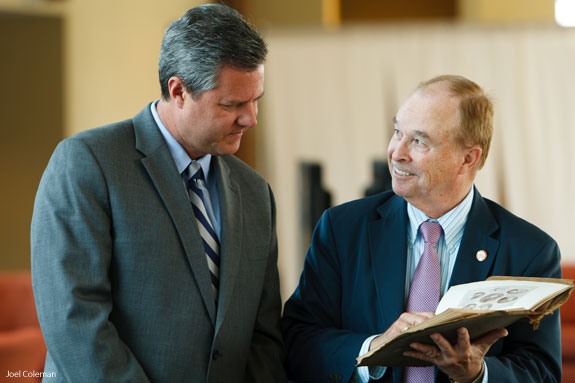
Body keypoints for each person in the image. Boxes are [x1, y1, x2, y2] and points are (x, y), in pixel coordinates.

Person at [31, 4, 286, 383]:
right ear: (179, 90)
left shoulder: (255, 193)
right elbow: (74, 320)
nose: (251, 118)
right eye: (232, 104)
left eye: (256, 100)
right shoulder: (88, 163)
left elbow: (263, 336)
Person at [281, 75, 561, 383]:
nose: (397, 152)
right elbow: (298, 341)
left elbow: (542, 371)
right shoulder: (342, 229)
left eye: (418, 141)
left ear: (468, 158)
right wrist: (374, 348)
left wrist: (477, 374)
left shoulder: (529, 250)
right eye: (397, 131)